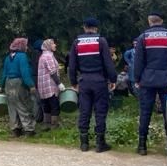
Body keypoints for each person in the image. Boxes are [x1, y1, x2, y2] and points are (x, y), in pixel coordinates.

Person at [133, 11, 167, 155]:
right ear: (161, 21)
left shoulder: (143, 38)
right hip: (166, 80)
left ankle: (142, 146)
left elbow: (138, 62)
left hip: (147, 80)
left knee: (145, 112)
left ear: (149, 22)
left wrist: (137, 79)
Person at [67, 17, 116, 153]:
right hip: (99, 81)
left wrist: (73, 82)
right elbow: (108, 63)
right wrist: (113, 79)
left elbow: (72, 66)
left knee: (84, 111)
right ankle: (100, 144)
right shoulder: (101, 41)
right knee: (100, 111)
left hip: (84, 81)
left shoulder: (77, 42)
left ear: (84, 27)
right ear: (96, 28)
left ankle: (84, 143)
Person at [0, 37, 37, 138]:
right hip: (18, 83)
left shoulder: (8, 57)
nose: (27, 47)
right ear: (21, 46)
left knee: (12, 106)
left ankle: (16, 130)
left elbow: (4, 73)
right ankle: (29, 130)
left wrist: (0, 86)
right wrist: (31, 85)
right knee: (23, 105)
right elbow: (25, 72)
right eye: (25, 45)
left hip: (8, 83)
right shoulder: (22, 56)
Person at [36, 38, 64, 129]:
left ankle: (46, 124)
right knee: (54, 104)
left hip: (43, 85)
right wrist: (59, 83)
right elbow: (52, 72)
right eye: (53, 44)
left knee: (46, 104)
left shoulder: (43, 55)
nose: (55, 45)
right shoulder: (48, 56)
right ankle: (54, 124)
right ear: (48, 46)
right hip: (50, 84)